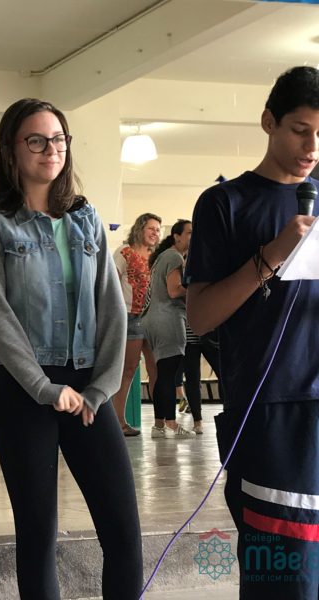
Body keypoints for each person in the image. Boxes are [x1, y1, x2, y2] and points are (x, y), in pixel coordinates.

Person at [0, 98, 142, 600]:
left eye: (59, 139)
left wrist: (101, 389)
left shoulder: (86, 219)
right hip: (25, 392)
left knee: (123, 532)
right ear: (11, 149)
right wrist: (45, 388)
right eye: (37, 140)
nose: (51, 149)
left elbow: (111, 306)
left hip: (87, 389)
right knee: (38, 535)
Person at [186, 66, 319, 599]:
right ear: (268, 122)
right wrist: (274, 254)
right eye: (300, 130)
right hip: (270, 411)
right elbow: (200, 316)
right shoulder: (225, 204)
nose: (312, 146)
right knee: (285, 574)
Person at [141, 219, 196, 439]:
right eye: (189, 232)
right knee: (168, 374)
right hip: (168, 319)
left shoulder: (162, 257)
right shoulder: (174, 257)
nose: (193, 236)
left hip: (152, 319)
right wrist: (197, 291)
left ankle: (158, 426)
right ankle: (172, 423)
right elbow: (174, 291)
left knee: (162, 372)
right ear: (176, 236)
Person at [112, 213, 161, 436]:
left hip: (153, 317)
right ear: (140, 228)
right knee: (128, 369)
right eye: (151, 228)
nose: (155, 233)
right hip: (130, 316)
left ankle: (161, 421)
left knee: (157, 368)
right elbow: (111, 282)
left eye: (158, 230)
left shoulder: (156, 257)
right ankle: (118, 421)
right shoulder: (124, 252)